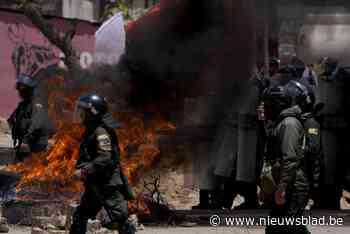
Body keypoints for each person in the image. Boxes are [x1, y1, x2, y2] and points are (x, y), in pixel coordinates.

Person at [69, 92, 135, 234]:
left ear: (93, 112)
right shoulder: (91, 130)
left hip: (107, 184)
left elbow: (105, 158)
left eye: (83, 111)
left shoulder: (101, 131)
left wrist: (84, 171)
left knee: (120, 219)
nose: (80, 114)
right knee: (81, 215)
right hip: (95, 183)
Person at [262, 81, 316, 234]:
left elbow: (290, 159)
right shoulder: (281, 123)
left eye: (266, 104)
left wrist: (282, 188)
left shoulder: (289, 124)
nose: (262, 108)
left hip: (294, 187)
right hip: (289, 185)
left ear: (276, 104)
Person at [7, 74, 49, 162]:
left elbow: (36, 125)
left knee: (30, 173)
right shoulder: (22, 105)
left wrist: (25, 140)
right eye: (19, 88)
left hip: (35, 147)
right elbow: (12, 119)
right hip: (24, 145)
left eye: (22, 88)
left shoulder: (37, 104)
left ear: (29, 89)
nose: (20, 91)